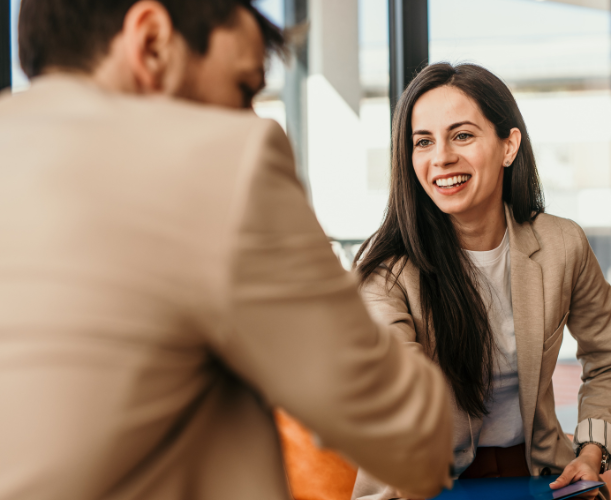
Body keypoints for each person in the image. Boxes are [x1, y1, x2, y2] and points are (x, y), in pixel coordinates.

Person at [0, 2, 454, 499]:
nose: (251, 117)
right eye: (244, 89)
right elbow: (414, 441)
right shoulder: (219, 161)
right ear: (152, 42)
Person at [351, 63, 611, 500]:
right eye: (423, 142)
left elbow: (610, 361)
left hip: (541, 477)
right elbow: (398, 396)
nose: (442, 157)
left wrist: (591, 451)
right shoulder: (387, 275)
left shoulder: (562, 245)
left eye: (462, 135)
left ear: (509, 146)